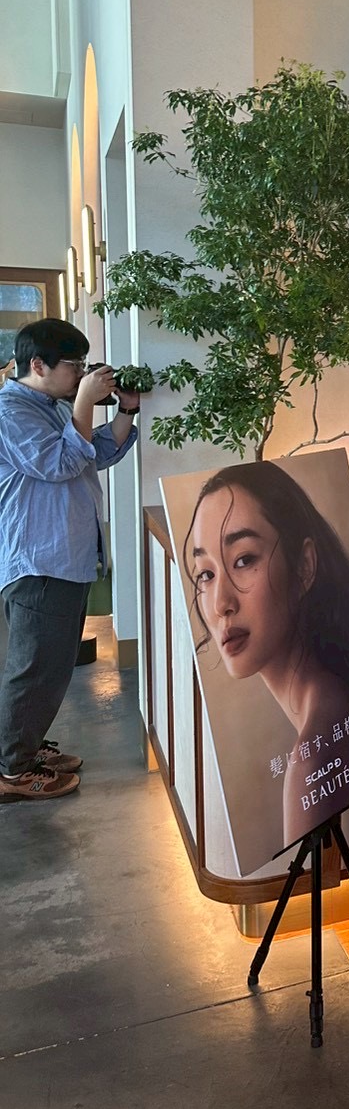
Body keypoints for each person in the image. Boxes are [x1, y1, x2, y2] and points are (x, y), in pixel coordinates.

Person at [182, 461, 349, 847]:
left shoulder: (312, 762)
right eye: (206, 574)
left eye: (244, 560)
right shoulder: (334, 697)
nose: (220, 604)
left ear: (303, 566)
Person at [0, 319, 139, 801]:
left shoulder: (51, 405)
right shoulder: (10, 411)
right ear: (38, 365)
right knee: (35, 670)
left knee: (52, 668)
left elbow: (92, 452)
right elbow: (58, 463)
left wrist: (126, 409)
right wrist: (84, 400)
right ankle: (12, 771)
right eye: (73, 365)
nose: (81, 373)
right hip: (40, 562)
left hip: (64, 558)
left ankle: (24, 748)